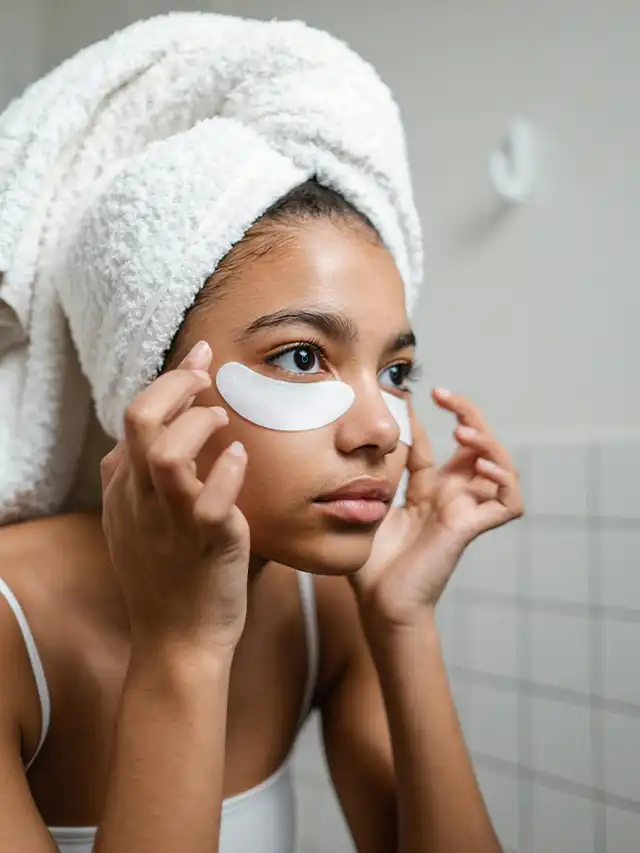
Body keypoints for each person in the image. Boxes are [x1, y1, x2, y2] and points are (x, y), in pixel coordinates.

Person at [0, 13, 523, 853]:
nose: (379, 432)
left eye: (395, 373)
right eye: (304, 355)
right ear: (150, 387)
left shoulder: (323, 603)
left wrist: (402, 622)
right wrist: (182, 649)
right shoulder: (7, 629)